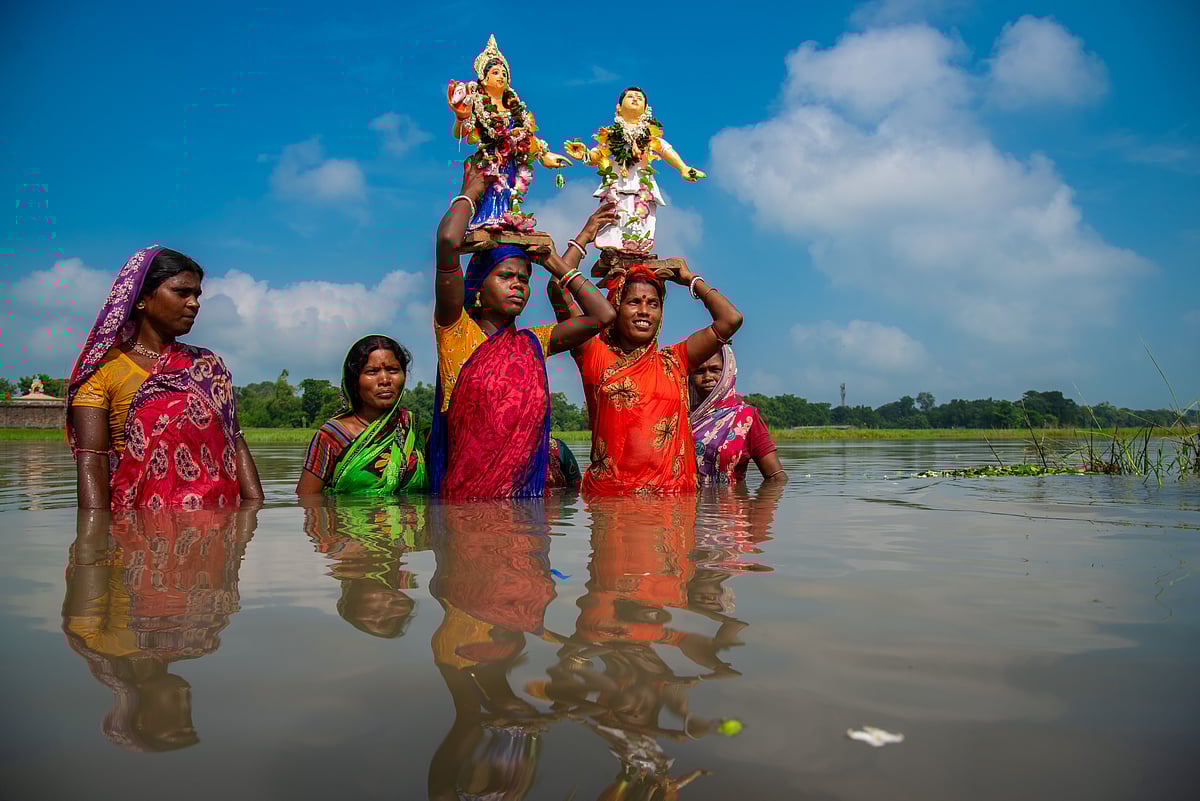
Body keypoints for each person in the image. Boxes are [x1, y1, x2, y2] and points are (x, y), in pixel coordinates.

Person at [432, 160, 617, 499]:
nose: (518, 285)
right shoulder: (454, 330)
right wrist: (471, 193)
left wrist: (554, 263)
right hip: (466, 506)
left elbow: (603, 315)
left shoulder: (533, 342)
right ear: (476, 286)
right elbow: (447, 241)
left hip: (523, 511)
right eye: (505, 276)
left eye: (524, 278)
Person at [68, 247, 263, 510]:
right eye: (182, 292)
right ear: (141, 299)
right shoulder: (102, 370)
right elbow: (93, 461)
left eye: (196, 294)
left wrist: (253, 517)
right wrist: (93, 541)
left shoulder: (208, 367)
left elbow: (236, 443)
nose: (194, 303)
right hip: (137, 536)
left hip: (217, 530)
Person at [61, 504, 258, 751]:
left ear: (141, 716)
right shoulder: (185, 644)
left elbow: (90, 550)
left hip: (127, 515)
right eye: (189, 712)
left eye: (176, 713)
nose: (186, 700)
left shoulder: (93, 639)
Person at [550, 263, 742, 495]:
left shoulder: (675, 361)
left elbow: (731, 319)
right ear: (616, 308)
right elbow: (557, 289)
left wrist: (690, 279)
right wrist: (584, 238)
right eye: (634, 302)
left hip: (674, 505)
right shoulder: (594, 354)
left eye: (653, 304)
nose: (644, 311)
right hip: (611, 502)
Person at [296, 335, 429, 495]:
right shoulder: (332, 437)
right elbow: (308, 501)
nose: (385, 380)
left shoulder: (417, 430)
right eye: (372, 372)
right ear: (354, 381)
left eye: (393, 370)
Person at [689, 345, 787, 484]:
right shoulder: (679, 415)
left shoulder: (746, 417)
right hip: (684, 504)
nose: (707, 377)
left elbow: (776, 477)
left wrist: (762, 504)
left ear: (727, 372)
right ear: (691, 377)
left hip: (730, 503)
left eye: (715, 370)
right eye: (699, 371)